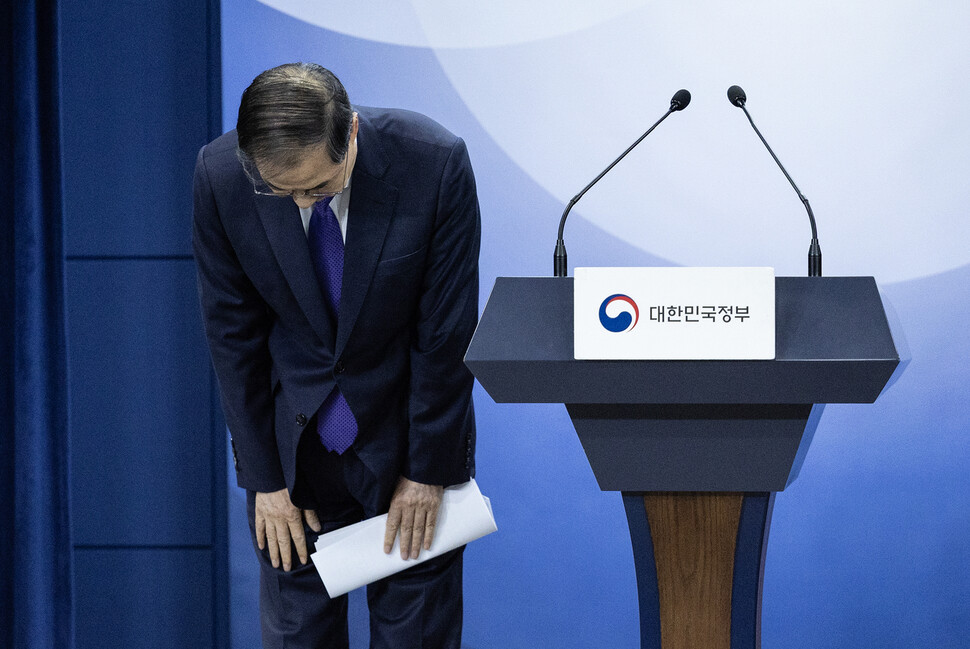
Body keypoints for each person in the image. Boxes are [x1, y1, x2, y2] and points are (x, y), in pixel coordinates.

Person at [192, 62, 480, 649]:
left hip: (407, 447)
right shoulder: (220, 176)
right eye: (282, 192)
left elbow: (446, 334)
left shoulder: (433, 163)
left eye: (319, 188)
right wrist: (266, 481)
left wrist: (426, 472)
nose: (302, 204)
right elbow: (232, 336)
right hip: (293, 460)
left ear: (350, 133)